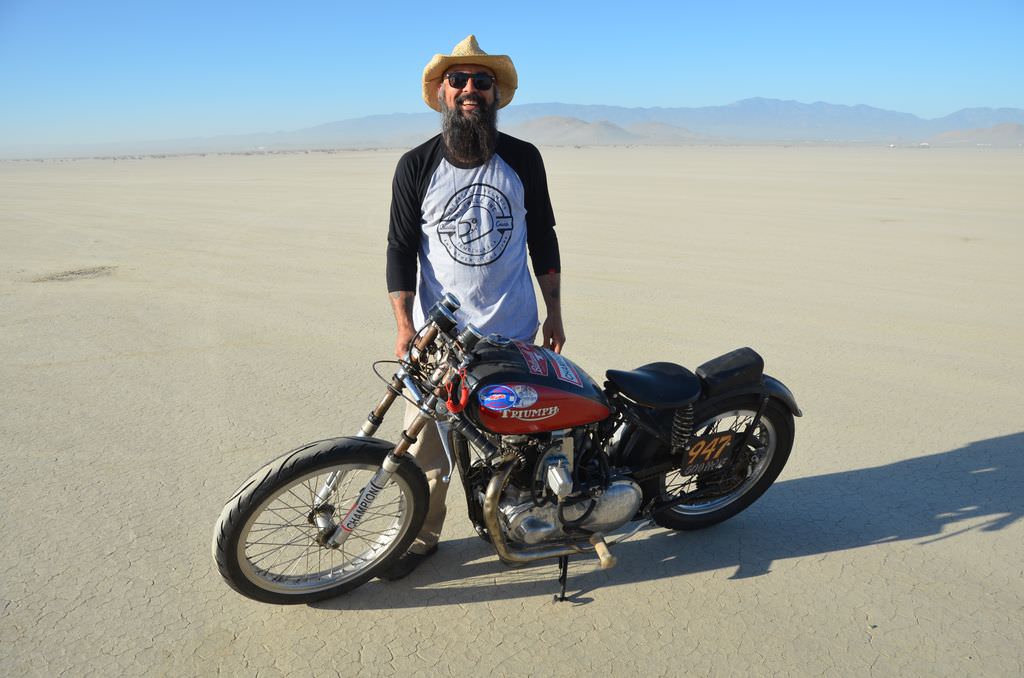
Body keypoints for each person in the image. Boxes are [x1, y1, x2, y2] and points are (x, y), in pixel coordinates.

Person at [382, 35, 564, 580]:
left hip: (510, 335)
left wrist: (554, 312)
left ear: (495, 94)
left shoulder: (523, 159)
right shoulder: (416, 166)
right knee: (425, 452)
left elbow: (544, 237)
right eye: (458, 80)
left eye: (480, 82)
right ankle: (422, 537)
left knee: (513, 442)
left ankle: (518, 521)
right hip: (436, 342)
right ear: (441, 92)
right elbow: (399, 249)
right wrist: (402, 327)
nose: (469, 90)